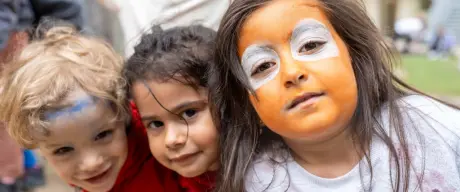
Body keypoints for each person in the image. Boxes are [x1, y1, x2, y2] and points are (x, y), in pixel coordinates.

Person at [209, 0, 460, 191]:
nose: (292, 73)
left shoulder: (436, 127)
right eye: (262, 66)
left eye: (311, 45)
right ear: (246, 101)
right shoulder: (255, 182)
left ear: (354, 54)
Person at [0, 25, 180, 192]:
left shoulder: (170, 153)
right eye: (63, 150)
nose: (91, 163)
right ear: (39, 148)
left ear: (124, 113)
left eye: (102, 135)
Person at [123, 25, 219, 192]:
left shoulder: (271, 171)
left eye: (189, 113)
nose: (171, 139)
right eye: (156, 124)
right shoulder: (160, 181)